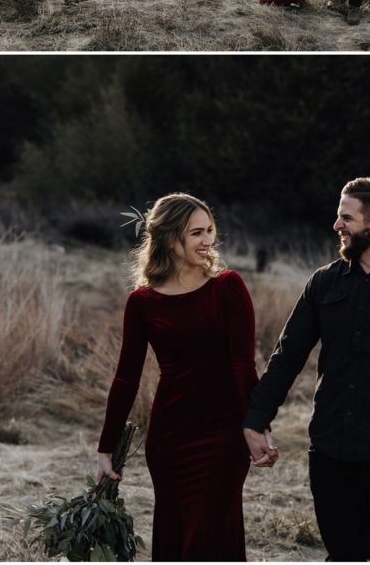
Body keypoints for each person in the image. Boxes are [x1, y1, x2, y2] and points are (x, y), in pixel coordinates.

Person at [242, 177, 370, 563]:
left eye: (346, 217)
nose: (336, 225)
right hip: (331, 454)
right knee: (342, 555)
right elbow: (287, 357)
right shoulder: (323, 283)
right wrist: (256, 419)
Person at [97, 193, 270, 562]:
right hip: (170, 438)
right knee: (176, 538)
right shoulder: (142, 302)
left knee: (209, 538)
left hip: (223, 435)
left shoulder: (228, 287)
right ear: (169, 238)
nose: (208, 240)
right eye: (196, 233)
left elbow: (244, 364)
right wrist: (106, 448)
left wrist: (257, 426)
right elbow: (125, 378)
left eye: (210, 230)